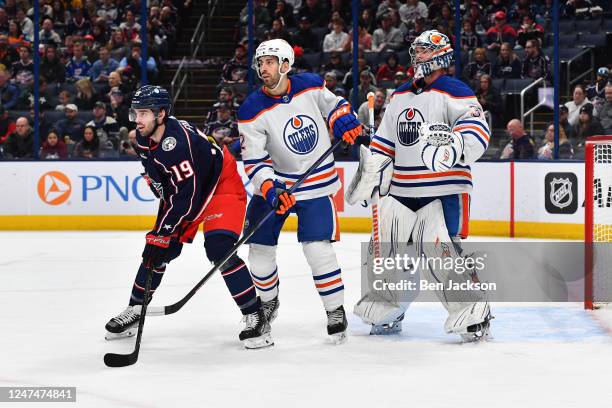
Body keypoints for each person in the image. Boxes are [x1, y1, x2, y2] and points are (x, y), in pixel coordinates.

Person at [348, 30, 492, 341]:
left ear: (440, 55)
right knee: (389, 253)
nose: (418, 56)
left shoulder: (455, 90)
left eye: (425, 50)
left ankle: (474, 312)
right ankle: (390, 308)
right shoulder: (400, 95)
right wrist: (371, 172)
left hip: (442, 190)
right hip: (401, 191)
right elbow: (385, 143)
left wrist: (455, 146)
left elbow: (476, 130)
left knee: (442, 253)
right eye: (417, 50)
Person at [104, 85, 272, 349]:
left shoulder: (177, 145)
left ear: (161, 114)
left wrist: (165, 231)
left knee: (220, 248)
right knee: (156, 251)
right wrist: (161, 236)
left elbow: (187, 197)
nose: (138, 120)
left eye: (144, 113)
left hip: (221, 185)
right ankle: (136, 308)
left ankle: (255, 315)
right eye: (136, 113)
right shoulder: (141, 137)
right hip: (187, 191)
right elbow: (170, 185)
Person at [237, 39, 363, 342]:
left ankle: (335, 310)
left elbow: (335, 106)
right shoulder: (251, 109)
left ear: (285, 65)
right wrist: (269, 188)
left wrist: (342, 118)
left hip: (316, 183)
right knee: (259, 250)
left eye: (269, 62)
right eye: (260, 63)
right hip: (276, 186)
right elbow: (254, 160)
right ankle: (267, 304)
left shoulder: (309, 85)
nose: (262, 68)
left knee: (318, 250)